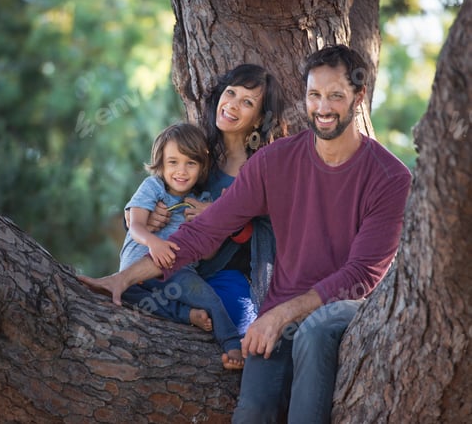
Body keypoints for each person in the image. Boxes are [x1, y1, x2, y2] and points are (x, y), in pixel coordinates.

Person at [80, 44, 411, 422]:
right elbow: (204, 232)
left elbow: (362, 277)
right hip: (278, 314)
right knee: (253, 410)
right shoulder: (274, 162)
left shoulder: (391, 178)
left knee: (314, 333)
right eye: (314, 95)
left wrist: (280, 315)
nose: (322, 107)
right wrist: (123, 278)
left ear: (359, 96)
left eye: (335, 96)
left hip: (343, 308)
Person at [120, 63, 288, 348]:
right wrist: (148, 215)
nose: (232, 105)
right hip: (177, 263)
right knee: (133, 291)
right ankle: (185, 313)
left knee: (233, 317)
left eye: (247, 102)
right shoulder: (199, 148)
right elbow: (158, 183)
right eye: (231, 93)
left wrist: (223, 217)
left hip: (226, 273)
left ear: (260, 118)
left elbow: (272, 230)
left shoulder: (262, 168)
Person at [119, 122, 247, 370]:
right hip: (138, 268)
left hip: (179, 272)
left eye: (191, 163)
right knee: (128, 296)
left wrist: (211, 224)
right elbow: (135, 226)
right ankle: (185, 315)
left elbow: (208, 254)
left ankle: (232, 345)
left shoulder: (202, 201)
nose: (182, 171)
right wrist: (154, 243)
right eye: (173, 162)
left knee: (208, 298)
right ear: (161, 164)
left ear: (201, 168)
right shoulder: (153, 187)